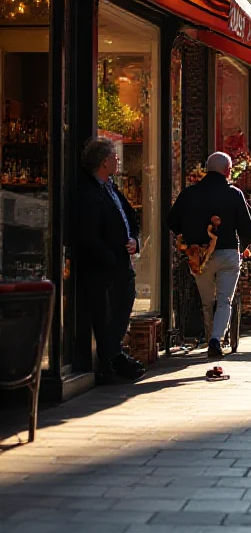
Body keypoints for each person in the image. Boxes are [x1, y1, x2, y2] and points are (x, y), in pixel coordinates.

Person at [168, 152, 251, 358]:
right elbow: (247, 228)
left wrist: (187, 238)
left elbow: (172, 221)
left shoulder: (189, 194)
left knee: (207, 301)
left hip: (199, 255)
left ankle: (210, 338)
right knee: (224, 300)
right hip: (228, 254)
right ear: (227, 171)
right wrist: (242, 248)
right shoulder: (234, 194)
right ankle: (216, 339)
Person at [77, 137, 145, 384]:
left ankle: (113, 357)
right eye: (115, 158)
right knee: (105, 317)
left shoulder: (111, 187)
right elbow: (87, 234)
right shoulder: (89, 192)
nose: (118, 161)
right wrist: (109, 257)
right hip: (104, 269)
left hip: (121, 266)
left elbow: (131, 217)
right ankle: (110, 362)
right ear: (104, 162)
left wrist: (134, 240)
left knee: (122, 310)